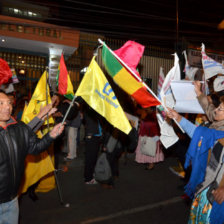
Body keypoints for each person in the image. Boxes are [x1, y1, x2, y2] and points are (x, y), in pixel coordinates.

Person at [0, 91, 65, 224]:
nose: (7, 107)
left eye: (9, 103)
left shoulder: (16, 128)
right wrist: (41, 115)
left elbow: (35, 146)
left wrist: (51, 135)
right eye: (1, 103)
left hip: (13, 200)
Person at [166, 90, 224, 224]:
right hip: (206, 188)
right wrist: (177, 117)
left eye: (221, 108)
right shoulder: (215, 130)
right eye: (218, 106)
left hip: (216, 196)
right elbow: (198, 133)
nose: (216, 110)